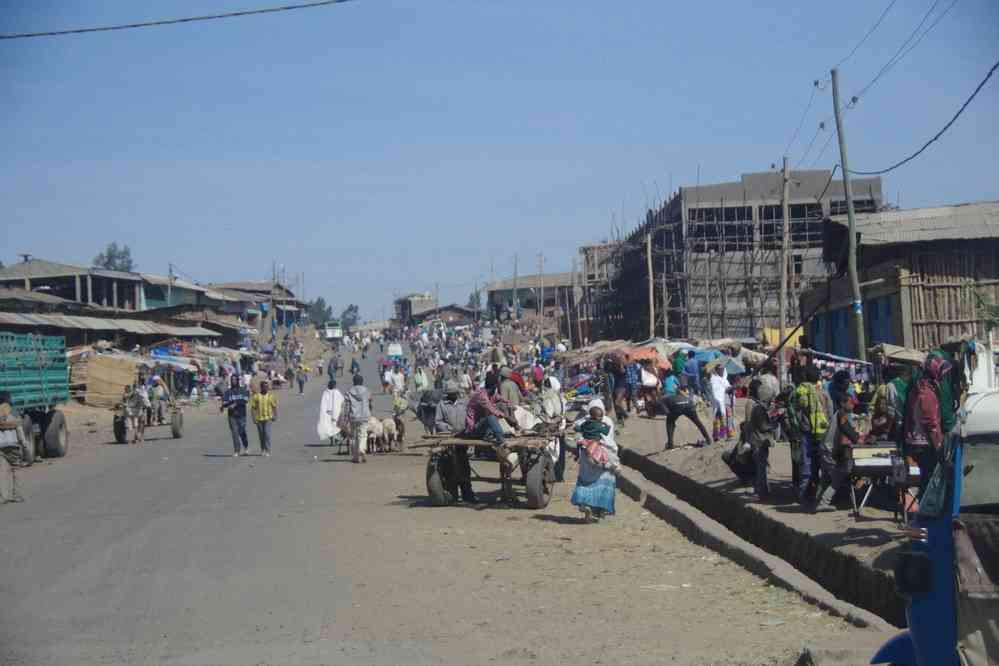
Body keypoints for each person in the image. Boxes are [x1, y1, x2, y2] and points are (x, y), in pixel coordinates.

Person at [904, 355, 951, 495]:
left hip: (916, 442)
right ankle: (925, 511)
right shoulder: (926, 392)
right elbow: (931, 423)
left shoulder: (918, 388)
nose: (943, 377)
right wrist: (939, 445)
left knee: (926, 477)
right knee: (929, 479)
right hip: (925, 443)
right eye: (942, 373)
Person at [570, 398, 620, 522]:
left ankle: (585, 505)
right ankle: (599, 510)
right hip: (601, 454)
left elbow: (576, 430)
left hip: (587, 454)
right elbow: (609, 438)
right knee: (606, 478)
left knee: (586, 479)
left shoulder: (584, 421)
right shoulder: (606, 421)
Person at [815, 395, 862, 511]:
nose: (853, 405)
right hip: (828, 450)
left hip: (825, 449)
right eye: (850, 403)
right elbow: (846, 428)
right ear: (843, 403)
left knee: (826, 477)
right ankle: (823, 502)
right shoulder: (841, 414)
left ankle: (818, 501)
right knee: (838, 477)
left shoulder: (840, 414)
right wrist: (858, 439)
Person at [433, 381, 476, 502]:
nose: (452, 396)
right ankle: (453, 494)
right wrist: (448, 429)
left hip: (462, 440)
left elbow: (470, 417)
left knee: (464, 467)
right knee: (449, 468)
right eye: (450, 394)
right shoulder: (442, 405)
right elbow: (438, 422)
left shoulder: (464, 403)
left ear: (457, 393)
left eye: (454, 393)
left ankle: (468, 494)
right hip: (448, 440)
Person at [794, 365, 830, 504]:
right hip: (822, 432)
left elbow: (798, 411)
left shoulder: (801, 391)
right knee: (822, 464)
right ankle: (820, 496)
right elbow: (830, 412)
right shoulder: (823, 393)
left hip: (806, 432)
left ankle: (804, 496)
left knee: (807, 464)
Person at [744, 377, 780, 500]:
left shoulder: (757, 405)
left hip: (757, 439)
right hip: (758, 440)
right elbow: (760, 425)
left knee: (761, 466)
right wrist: (774, 424)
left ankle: (761, 490)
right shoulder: (754, 405)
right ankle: (762, 492)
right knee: (761, 468)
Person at [346, 374, 373, 463]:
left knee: (354, 436)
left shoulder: (349, 392)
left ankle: (355, 457)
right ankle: (362, 449)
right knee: (363, 434)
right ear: (362, 382)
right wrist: (370, 411)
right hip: (364, 416)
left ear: (353, 382)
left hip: (353, 417)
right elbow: (370, 402)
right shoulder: (367, 391)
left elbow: (347, 406)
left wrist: (346, 416)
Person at [221, 375, 250, 456]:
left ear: (237, 380)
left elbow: (245, 400)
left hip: (242, 415)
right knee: (234, 433)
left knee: (242, 431)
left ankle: (246, 447)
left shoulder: (243, 390)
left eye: (235, 379)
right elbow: (225, 402)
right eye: (232, 380)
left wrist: (235, 403)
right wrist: (224, 405)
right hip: (232, 415)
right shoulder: (228, 392)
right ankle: (237, 450)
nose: (233, 381)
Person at [249, 380, 278, 457]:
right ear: (261, 387)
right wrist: (253, 418)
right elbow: (253, 408)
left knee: (267, 434)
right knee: (261, 435)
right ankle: (263, 449)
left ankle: (268, 450)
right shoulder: (256, 396)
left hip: (268, 418)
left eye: (267, 387)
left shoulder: (271, 396)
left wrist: (275, 415)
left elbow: (274, 406)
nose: (266, 388)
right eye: (264, 387)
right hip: (259, 419)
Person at [317, 379, 345, 445]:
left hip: (327, 413)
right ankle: (335, 439)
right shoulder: (337, 392)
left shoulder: (325, 392)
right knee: (335, 427)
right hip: (336, 413)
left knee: (329, 427)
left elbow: (323, 404)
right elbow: (341, 401)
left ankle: (332, 440)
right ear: (335, 385)